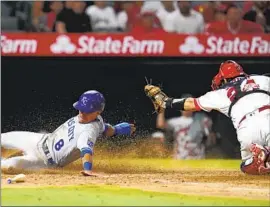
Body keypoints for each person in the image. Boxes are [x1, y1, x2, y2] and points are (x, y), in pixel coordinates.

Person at [145, 60, 270, 175]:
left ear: (224, 79)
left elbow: (190, 104)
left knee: (249, 169)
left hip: (247, 129)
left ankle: (261, 155)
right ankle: (266, 154)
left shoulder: (220, 94)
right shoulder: (263, 80)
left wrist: (166, 102)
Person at [1, 90, 136, 176]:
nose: (82, 112)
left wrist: (87, 169)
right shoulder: (97, 120)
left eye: (86, 110)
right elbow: (106, 129)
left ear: (98, 112)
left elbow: (86, 151)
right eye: (81, 109)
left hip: (42, 161)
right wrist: (119, 129)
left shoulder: (88, 131)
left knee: (8, 167)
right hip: (39, 140)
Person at [156, 94, 214, 159]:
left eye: (190, 104)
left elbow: (211, 135)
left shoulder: (201, 118)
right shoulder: (176, 121)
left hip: (198, 159)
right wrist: (161, 107)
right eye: (185, 104)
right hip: (181, 159)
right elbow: (160, 125)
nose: (187, 107)